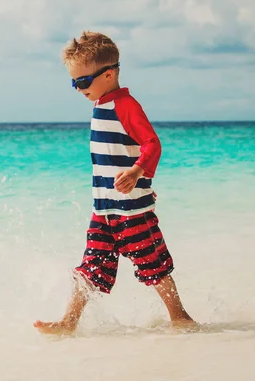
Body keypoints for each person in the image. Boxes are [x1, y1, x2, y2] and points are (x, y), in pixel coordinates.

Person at [34, 31, 196, 335]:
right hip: (105, 211)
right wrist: (138, 174)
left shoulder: (125, 105)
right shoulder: (102, 105)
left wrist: (137, 174)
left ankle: (180, 317)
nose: (78, 89)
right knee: (90, 269)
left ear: (108, 75)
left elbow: (151, 145)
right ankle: (69, 322)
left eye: (83, 82)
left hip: (132, 210)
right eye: (74, 82)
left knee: (154, 265)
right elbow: (119, 152)